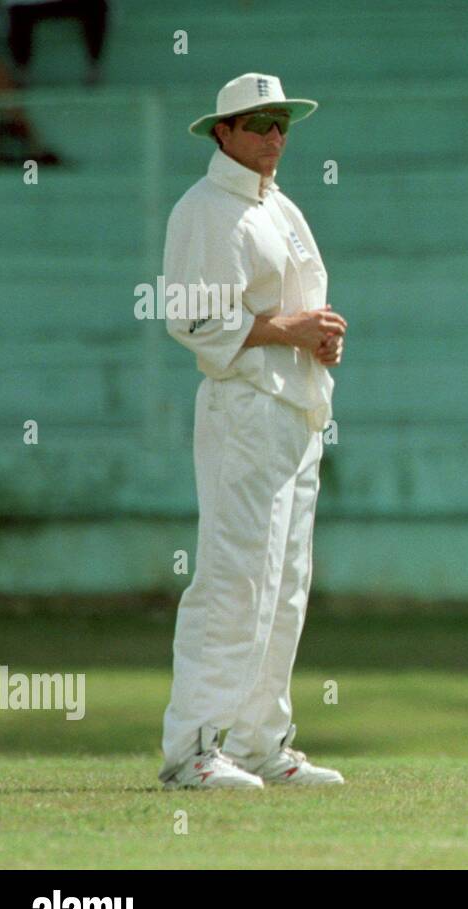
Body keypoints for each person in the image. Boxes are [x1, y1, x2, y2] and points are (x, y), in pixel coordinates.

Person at [158, 72, 347, 790]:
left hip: (295, 409)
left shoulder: (281, 209)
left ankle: (263, 741)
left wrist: (318, 338)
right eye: (259, 123)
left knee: (286, 581)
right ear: (222, 132)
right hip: (243, 408)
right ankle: (194, 749)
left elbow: (297, 310)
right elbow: (196, 320)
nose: (273, 136)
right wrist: (287, 332)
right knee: (235, 577)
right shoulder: (205, 209)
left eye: (281, 124)